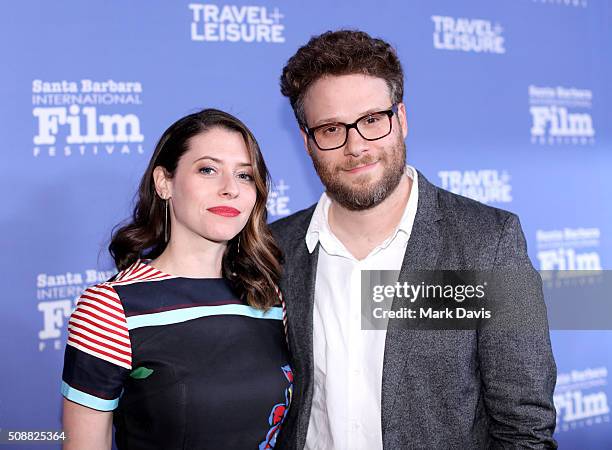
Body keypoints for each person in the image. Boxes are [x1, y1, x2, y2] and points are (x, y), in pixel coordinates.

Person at [270, 30, 557, 449]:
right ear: (307, 141)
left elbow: (524, 428)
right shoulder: (276, 248)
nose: (356, 146)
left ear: (401, 119)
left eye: (371, 120)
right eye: (331, 128)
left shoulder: (488, 243)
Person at [61, 109, 292, 450]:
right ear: (164, 182)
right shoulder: (111, 310)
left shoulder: (267, 296)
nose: (230, 189)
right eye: (208, 170)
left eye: (244, 176)